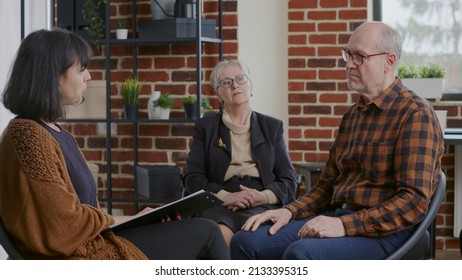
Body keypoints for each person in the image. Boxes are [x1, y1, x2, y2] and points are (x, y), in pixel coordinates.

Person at [0, 28, 229, 260]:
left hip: (93, 241)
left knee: (199, 227)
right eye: (81, 69)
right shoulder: (26, 135)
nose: (89, 76)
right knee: (207, 232)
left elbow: (87, 213)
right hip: (76, 257)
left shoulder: (60, 134)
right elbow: (63, 225)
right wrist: (124, 220)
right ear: (54, 76)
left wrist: (137, 219)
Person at [230, 21, 445, 260]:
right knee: (245, 242)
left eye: (360, 56)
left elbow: (412, 202)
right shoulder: (353, 115)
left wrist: (344, 225)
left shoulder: (415, 114)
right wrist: (289, 211)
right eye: (348, 54)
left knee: (302, 254)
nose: (350, 64)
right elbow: (326, 187)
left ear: (389, 61)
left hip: (386, 233)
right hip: (341, 217)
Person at [183, 59, 298, 246]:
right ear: (217, 93)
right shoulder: (206, 128)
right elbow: (193, 178)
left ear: (250, 84)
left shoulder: (271, 126)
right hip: (219, 201)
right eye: (227, 82)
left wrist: (263, 196)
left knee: (254, 237)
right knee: (219, 236)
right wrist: (225, 196)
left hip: (262, 200)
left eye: (240, 79)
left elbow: (289, 179)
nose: (235, 85)